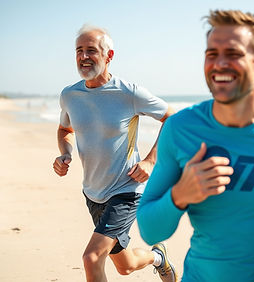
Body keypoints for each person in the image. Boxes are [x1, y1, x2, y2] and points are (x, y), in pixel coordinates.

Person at [137, 9, 254, 282]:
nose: (219, 64)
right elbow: (149, 230)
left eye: (234, 54)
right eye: (211, 54)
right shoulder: (180, 130)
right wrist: (180, 194)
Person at [53, 24, 177, 282]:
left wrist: (151, 160)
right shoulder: (70, 95)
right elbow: (65, 129)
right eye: (79, 51)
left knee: (92, 258)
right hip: (93, 193)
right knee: (126, 265)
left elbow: (172, 119)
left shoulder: (129, 93)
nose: (84, 56)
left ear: (109, 56)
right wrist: (65, 153)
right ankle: (158, 258)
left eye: (91, 51)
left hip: (126, 190)